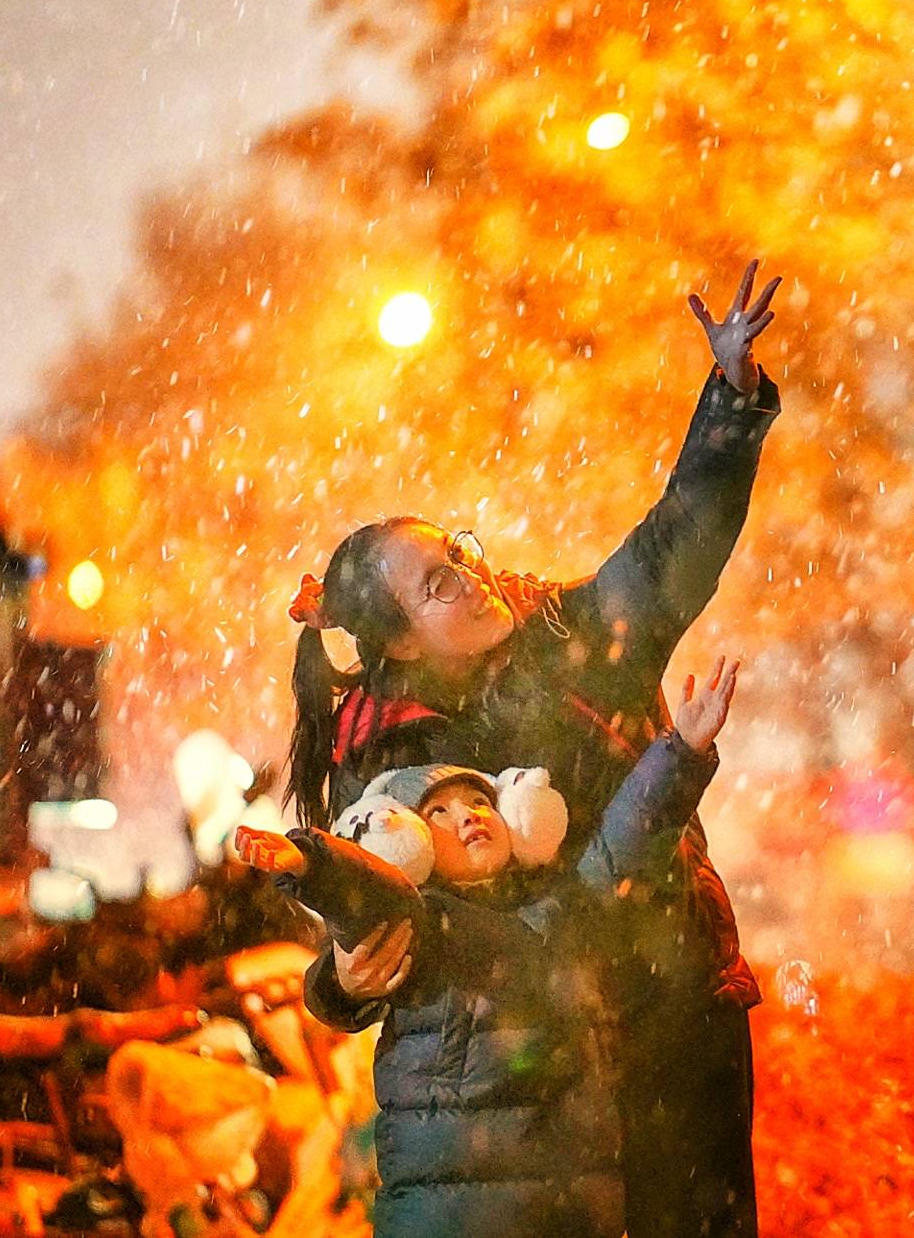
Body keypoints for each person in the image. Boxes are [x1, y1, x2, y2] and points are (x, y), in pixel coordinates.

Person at [285, 262, 780, 1236]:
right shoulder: (382, 756)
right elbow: (376, 925)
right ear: (395, 642)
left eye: (461, 551)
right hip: (532, 1081)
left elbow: (680, 536)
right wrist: (338, 979)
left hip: (680, 1027)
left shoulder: (579, 630)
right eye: (436, 584)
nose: (472, 577)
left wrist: (728, 402)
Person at [239, 657, 740, 1238]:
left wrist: (681, 751)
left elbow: (629, 836)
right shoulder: (415, 923)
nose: (469, 815)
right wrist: (309, 862)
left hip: (569, 1195)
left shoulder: (564, 903)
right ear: (410, 841)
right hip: (448, 1206)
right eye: (439, 813)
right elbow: (362, 891)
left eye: (479, 801)